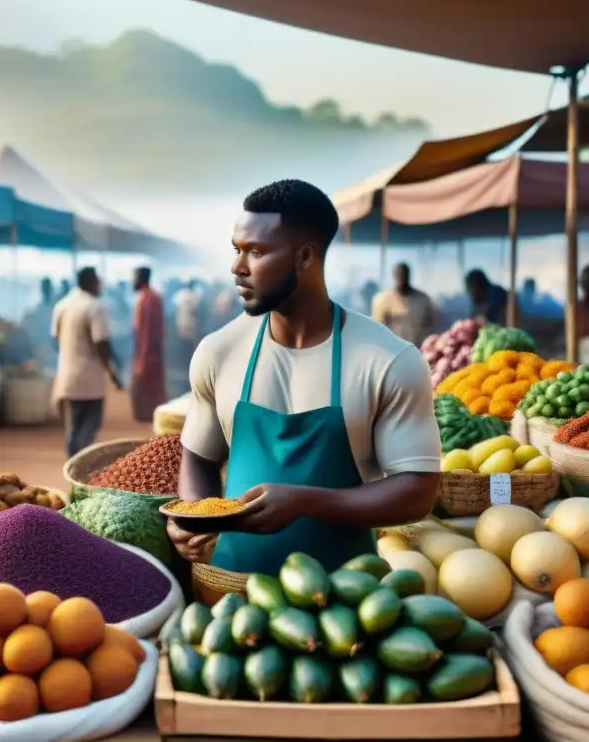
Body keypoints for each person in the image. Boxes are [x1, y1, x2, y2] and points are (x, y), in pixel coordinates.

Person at [167, 179, 441, 575]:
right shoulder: (218, 352)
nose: (237, 267)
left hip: (346, 604)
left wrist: (306, 502)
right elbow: (198, 457)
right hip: (229, 594)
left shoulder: (388, 360)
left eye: (256, 252)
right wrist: (196, 519)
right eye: (236, 250)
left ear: (306, 256)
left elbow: (417, 492)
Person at [51, 267, 123, 457]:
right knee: (89, 426)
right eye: (98, 281)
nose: (100, 285)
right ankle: (79, 468)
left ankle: (71, 466)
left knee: (74, 426)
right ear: (90, 281)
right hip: (89, 378)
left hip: (67, 375)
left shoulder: (62, 305)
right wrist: (113, 373)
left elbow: (55, 338)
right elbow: (101, 342)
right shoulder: (94, 306)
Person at [131, 266, 167, 422]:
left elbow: (148, 331)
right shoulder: (147, 297)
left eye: (134, 277)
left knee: (146, 385)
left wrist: (144, 355)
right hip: (145, 350)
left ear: (140, 278)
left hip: (148, 352)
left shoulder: (149, 299)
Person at [370, 262, 436, 345]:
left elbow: (430, 327)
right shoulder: (382, 300)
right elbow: (378, 330)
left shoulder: (423, 299)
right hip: (393, 349)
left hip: (418, 349)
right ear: (394, 276)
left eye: (404, 274)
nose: (402, 278)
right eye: (399, 275)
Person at [21, 278, 57, 369]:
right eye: (45, 289)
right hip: (38, 358)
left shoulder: (57, 312)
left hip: (54, 359)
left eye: (48, 289)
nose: (47, 292)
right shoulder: (32, 314)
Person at [173, 280, 200, 367]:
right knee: (189, 344)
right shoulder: (193, 295)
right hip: (190, 322)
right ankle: (188, 363)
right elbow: (195, 310)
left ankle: (183, 363)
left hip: (181, 321)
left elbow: (175, 309)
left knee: (183, 343)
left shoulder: (179, 295)